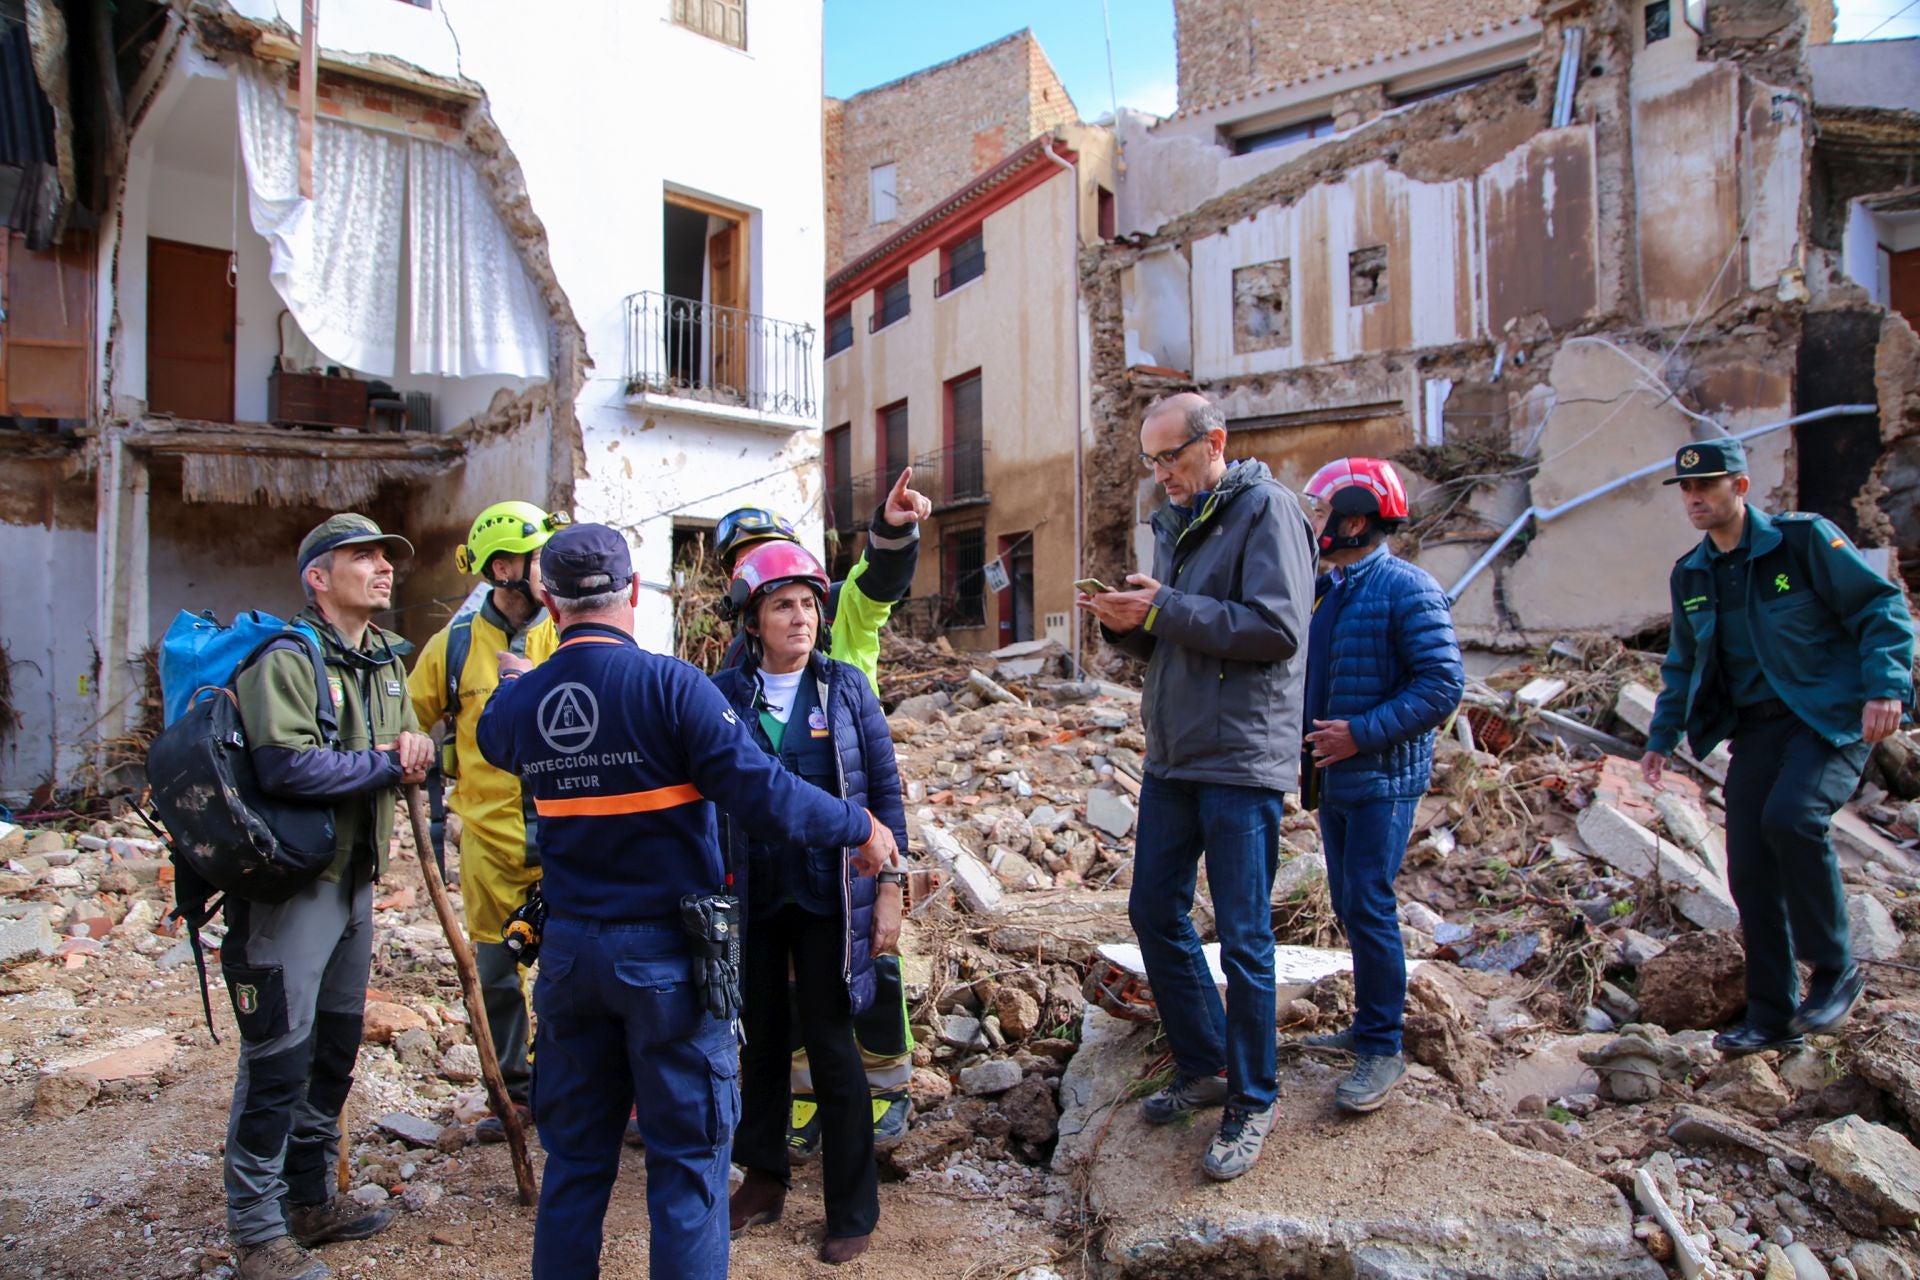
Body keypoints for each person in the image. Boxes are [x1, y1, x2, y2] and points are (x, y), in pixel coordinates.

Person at [476, 523, 899, 1280]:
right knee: (688, 1169)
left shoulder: (521, 704)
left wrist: (518, 683)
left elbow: (493, 734)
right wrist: (856, 825)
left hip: (571, 959)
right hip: (668, 959)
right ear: (634, 593)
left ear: (547, 600)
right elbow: (765, 797)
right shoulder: (675, 688)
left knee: (574, 1167)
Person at [1077, 392, 1316, 1181]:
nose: (1160, 475)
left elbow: (1276, 630)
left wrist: (1167, 606)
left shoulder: (1267, 511)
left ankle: (1254, 1098)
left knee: (1245, 938)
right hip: (1175, 751)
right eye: (1151, 461)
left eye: (1171, 457)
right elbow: (1179, 643)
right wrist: (1129, 622)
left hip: (1242, 756)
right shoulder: (1176, 521)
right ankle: (1206, 1061)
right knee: (1152, 908)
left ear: (1215, 442)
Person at [1643, 438, 1913, 1056]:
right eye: (1686, 488)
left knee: (1792, 819)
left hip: (1828, 718)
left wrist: (1887, 687)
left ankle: (1835, 966)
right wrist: (1660, 738)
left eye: (1707, 485)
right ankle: (1770, 1014)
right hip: (1758, 728)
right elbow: (1682, 665)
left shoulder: (1803, 541)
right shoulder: (1692, 573)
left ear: (1740, 487)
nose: (1694, 498)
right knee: (1750, 865)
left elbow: (1881, 609)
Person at [225, 515, 432, 1280]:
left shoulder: (383, 662)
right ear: (317, 577)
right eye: (363, 557)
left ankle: (308, 1202)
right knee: (277, 1055)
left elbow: (412, 750)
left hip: (354, 883)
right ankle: (255, 1232)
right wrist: (387, 762)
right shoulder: (287, 658)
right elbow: (285, 768)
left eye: (385, 557)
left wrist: (414, 751)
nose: (383, 567)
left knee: (334, 1048)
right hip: (290, 890)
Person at [712, 466, 930, 1157]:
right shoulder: (736, 662)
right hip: (777, 854)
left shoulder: (831, 616)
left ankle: (888, 1090)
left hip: (855, 826)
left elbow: (879, 582)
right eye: (742, 566)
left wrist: (893, 529)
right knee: (790, 978)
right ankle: (808, 1102)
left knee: (873, 956)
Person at [1296, 458, 1464, 1113]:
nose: (1315, 523)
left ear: (1356, 518)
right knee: (1349, 903)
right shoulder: (1331, 590)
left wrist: (1360, 734)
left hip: (1381, 779)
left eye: (1321, 511)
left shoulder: (1408, 588)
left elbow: (1441, 685)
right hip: (1338, 780)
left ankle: (1383, 1048)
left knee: (1368, 903)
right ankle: (1367, 1029)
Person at [406, 501, 567, 1140]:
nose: (548, 570)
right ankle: (516, 1096)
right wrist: (406, 750)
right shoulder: (452, 648)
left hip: (564, 838)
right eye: (538, 559)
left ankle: (573, 1087)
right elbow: (406, 718)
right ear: (503, 568)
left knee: (570, 975)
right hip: (488, 846)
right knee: (498, 977)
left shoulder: (567, 632)